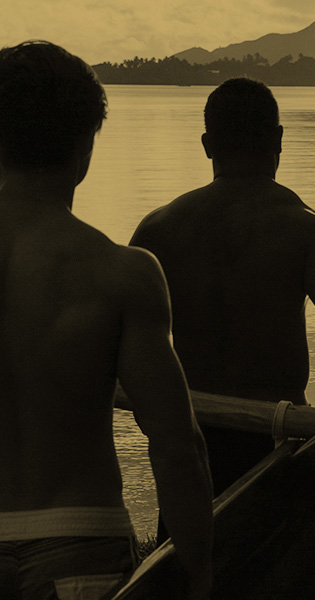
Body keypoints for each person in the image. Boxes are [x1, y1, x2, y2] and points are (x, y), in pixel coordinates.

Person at [0, 41, 213, 599]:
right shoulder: (122, 273)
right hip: (80, 544)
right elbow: (174, 444)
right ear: (85, 146)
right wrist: (200, 571)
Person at [130, 77, 315, 498]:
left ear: (206, 143)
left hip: (190, 444)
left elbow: (131, 359)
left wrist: (168, 432)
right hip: (274, 443)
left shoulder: (157, 230)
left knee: (182, 555)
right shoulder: (306, 229)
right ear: (279, 139)